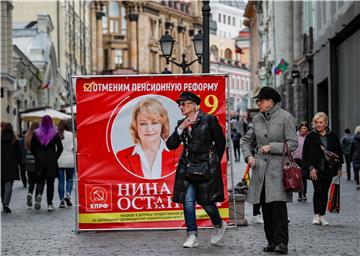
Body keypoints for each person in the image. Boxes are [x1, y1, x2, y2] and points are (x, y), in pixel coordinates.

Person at [240, 86, 298, 254]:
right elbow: (245, 140)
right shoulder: (257, 119)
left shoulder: (286, 117)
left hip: (278, 170)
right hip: (260, 171)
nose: (258, 104)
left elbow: (292, 143)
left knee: (278, 208)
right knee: (265, 207)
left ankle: (282, 243)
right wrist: (248, 156)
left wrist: (270, 147)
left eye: (261, 101)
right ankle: (271, 241)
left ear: (270, 102)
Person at [166, 91, 227, 248]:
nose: (181, 107)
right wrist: (180, 128)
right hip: (187, 167)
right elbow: (170, 145)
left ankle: (219, 224)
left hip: (205, 167)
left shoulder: (209, 119)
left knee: (206, 203)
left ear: (194, 105)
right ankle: (192, 235)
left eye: (184, 103)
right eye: (180, 104)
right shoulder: (182, 122)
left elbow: (220, 143)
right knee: (188, 201)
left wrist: (212, 162)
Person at [116, 98, 181, 179]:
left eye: (154, 123)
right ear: (136, 126)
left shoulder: (181, 152)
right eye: (143, 124)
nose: (149, 129)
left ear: (162, 125)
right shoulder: (121, 157)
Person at [302, 112, 343, 226]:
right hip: (316, 169)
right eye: (316, 122)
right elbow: (305, 154)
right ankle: (316, 214)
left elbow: (338, 152)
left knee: (325, 192)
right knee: (318, 190)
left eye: (321, 122)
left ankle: (322, 215)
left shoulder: (332, 135)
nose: (319, 124)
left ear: (326, 123)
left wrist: (339, 167)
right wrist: (310, 168)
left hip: (329, 169)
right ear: (314, 123)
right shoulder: (311, 136)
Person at [31, 115, 63, 211]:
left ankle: (39, 194)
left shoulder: (36, 133)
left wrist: (37, 155)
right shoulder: (55, 133)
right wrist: (55, 156)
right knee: (50, 182)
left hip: (40, 160)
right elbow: (60, 147)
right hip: (51, 160)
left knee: (40, 181)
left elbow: (32, 148)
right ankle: (49, 204)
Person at [1, 122, 22, 213]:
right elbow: (18, 155)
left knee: (2, 184)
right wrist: (19, 162)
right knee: (8, 184)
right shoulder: (15, 140)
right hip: (11, 165)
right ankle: (6, 203)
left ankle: (3, 201)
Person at [57, 120, 75, 208]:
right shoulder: (71, 134)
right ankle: (68, 194)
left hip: (59, 159)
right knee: (70, 179)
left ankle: (61, 201)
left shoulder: (57, 134)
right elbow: (76, 147)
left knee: (61, 181)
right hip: (70, 159)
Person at [292, 121, 310, 202]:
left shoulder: (309, 137)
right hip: (296, 159)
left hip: (305, 159)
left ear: (307, 129)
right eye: (302, 128)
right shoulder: (295, 136)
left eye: (305, 128)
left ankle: (304, 193)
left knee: (304, 176)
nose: (303, 130)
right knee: (298, 177)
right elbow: (292, 147)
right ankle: (299, 194)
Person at [24, 121, 39, 207]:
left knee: (31, 180)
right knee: (39, 180)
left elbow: (25, 148)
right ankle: (37, 198)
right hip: (37, 159)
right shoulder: (38, 135)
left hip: (29, 159)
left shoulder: (27, 135)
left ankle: (30, 193)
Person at [350, 125, 360, 190]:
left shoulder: (353, 139)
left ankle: (358, 184)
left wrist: (350, 157)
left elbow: (351, 149)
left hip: (355, 157)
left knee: (356, 171)